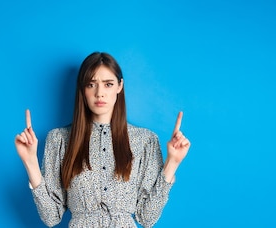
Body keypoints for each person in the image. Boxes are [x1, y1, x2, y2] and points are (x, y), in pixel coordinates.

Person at [14, 52, 190, 228]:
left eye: (108, 84)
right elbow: (51, 217)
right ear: (82, 89)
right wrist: (30, 162)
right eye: (91, 84)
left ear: (120, 86)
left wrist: (172, 163)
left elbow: (147, 217)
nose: (100, 93)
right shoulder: (59, 140)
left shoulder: (145, 141)